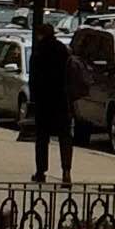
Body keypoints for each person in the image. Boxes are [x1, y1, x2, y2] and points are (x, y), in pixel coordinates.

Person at [28, 20, 75, 186]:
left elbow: (33, 79)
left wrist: (33, 99)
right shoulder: (63, 50)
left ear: (41, 35)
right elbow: (70, 74)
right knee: (65, 137)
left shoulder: (38, 52)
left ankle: (41, 171)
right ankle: (66, 172)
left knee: (42, 138)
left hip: (43, 101)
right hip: (61, 100)